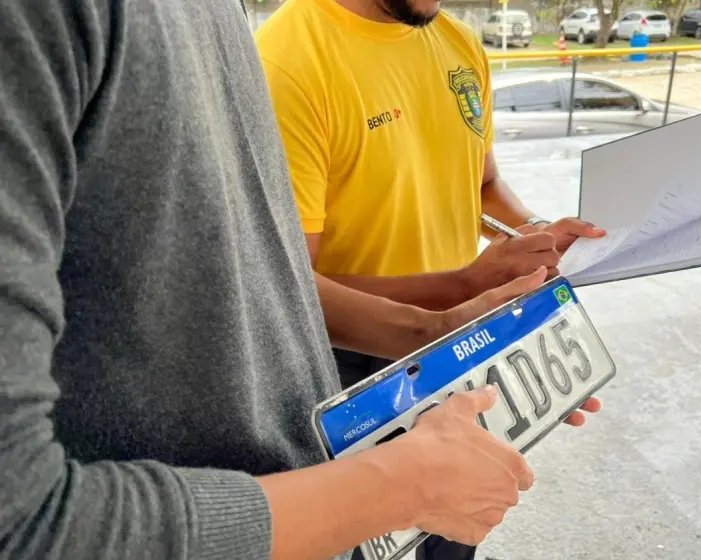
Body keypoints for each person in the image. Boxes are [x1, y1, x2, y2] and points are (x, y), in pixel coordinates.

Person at [0, 2, 601, 559]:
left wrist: (478, 294)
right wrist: (394, 486)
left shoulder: (447, 42)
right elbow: (25, 521)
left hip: (428, 365)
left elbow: (259, 268)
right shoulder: (287, 55)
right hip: (343, 391)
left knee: (455, 528)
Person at [256, 0, 606, 557]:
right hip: (348, 366)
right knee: (362, 540)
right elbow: (283, 286)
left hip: (460, 340)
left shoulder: (459, 44)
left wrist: (533, 235)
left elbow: (482, 183)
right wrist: (458, 289)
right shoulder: (286, 63)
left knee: (457, 530)